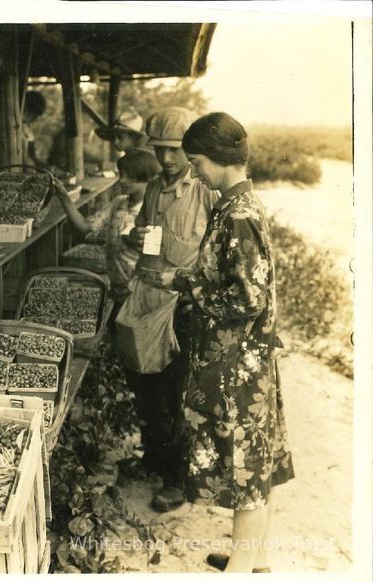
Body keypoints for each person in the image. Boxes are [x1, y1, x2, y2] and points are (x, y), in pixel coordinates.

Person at [154, 112, 295, 573]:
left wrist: (188, 286)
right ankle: (252, 558)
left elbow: (247, 298)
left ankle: (240, 571)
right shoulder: (239, 205)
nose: (194, 172)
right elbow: (234, 277)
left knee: (245, 467)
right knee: (253, 461)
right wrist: (187, 277)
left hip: (237, 363)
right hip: (245, 359)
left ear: (217, 158)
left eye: (196, 162)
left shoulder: (237, 214)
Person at [121, 106, 219, 513]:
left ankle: (176, 479)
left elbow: (217, 257)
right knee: (144, 384)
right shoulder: (153, 190)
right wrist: (135, 235)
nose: (165, 159)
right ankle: (154, 458)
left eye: (175, 151)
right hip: (148, 299)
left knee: (176, 394)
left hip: (184, 306)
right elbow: (137, 241)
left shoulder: (206, 191)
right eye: (159, 150)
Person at [51, 148, 161, 303]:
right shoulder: (118, 203)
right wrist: (64, 198)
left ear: (148, 179)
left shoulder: (154, 211)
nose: (122, 180)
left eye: (130, 177)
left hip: (140, 289)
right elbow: (85, 228)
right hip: (117, 284)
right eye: (122, 174)